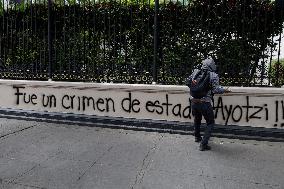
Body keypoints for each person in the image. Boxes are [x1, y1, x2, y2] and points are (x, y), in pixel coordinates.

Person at [187, 58, 231, 151]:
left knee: (197, 119)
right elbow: (216, 90)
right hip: (205, 102)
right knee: (210, 122)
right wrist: (225, 90)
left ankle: (197, 137)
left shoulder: (195, 72)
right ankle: (203, 144)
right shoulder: (213, 75)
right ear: (212, 65)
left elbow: (188, 82)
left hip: (194, 101)